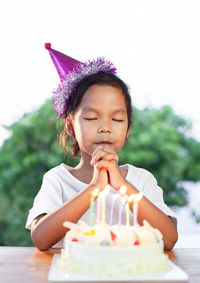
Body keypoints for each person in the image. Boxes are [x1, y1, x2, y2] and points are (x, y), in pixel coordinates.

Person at [26, 44, 178, 251]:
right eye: (91, 118)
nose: (105, 128)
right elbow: (41, 239)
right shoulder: (58, 180)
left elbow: (168, 239)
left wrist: (121, 185)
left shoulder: (140, 180)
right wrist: (94, 188)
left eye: (117, 119)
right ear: (71, 126)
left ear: (128, 127)